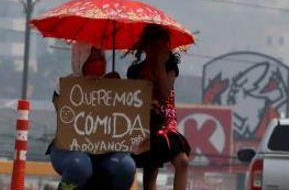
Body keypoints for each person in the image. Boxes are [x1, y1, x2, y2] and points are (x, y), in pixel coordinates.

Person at [47, 42, 136, 190]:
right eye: (91, 58)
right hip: (70, 149)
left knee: (125, 166)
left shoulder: (113, 85)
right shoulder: (65, 86)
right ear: (79, 59)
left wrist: (116, 92)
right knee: (79, 165)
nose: (97, 63)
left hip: (106, 150)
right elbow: (65, 115)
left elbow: (124, 123)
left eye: (100, 57)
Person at [127, 25, 191, 190]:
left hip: (163, 124)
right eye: (157, 45)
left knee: (182, 161)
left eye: (164, 45)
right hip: (140, 123)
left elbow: (164, 92)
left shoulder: (170, 69)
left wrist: (161, 65)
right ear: (147, 47)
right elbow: (131, 98)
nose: (161, 49)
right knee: (151, 171)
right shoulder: (135, 71)